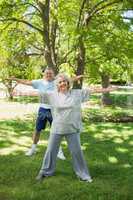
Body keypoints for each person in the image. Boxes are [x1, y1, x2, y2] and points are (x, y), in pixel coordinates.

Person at [35, 73, 118, 182]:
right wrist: (21, 93)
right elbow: (37, 93)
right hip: (57, 128)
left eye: (64, 81)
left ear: (68, 83)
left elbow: (92, 91)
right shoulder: (52, 95)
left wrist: (107, 89)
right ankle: (45, 171)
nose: (62, 83)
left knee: (76, 152)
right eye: (60, 82)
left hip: (72, 128)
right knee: (50, 150)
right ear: (57, 84)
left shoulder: (76, 94)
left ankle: (83, 174)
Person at [10, 68, 66, 160]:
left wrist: (79, 77)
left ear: (53, 74)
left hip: (54, 110)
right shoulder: (39, 82)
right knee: (37, 130)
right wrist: (15, 79)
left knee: (57, 131)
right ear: (44, 74)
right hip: (43, 109)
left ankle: (59, 151)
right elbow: (26, 82)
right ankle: (33, 148)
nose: (48, 75)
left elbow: (69, 80)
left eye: (50, 73)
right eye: (47, 73)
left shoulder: (57, 82)